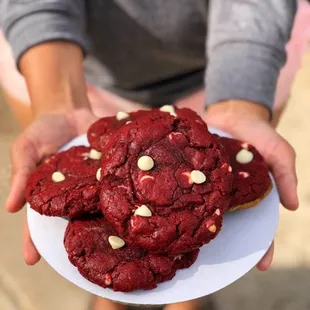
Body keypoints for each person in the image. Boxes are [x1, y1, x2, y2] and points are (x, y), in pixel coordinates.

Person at [0, 1, 301, 309]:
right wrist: (57, 101)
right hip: (66, 67)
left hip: (233, 70)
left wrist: (241, 106)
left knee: (195, 237)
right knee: (111, 245)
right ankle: (109, 295)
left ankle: (188, 298)